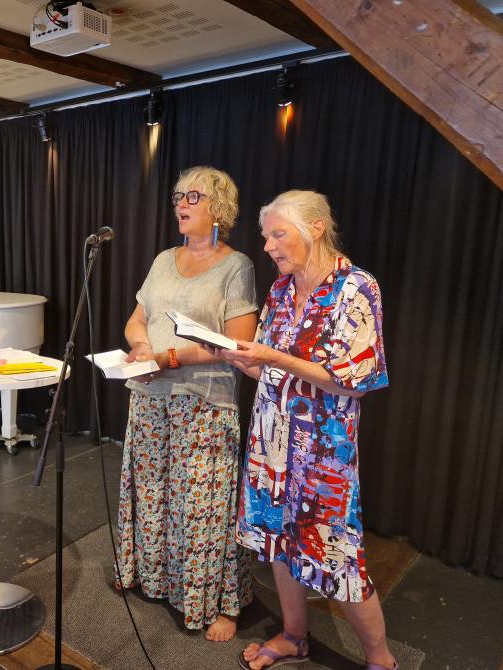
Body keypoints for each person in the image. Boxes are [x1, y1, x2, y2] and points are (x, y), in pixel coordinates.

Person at [212, 190, 396, 670]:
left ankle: (381, 659)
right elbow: (268, 370)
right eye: (266, 236)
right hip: (270, 443)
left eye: (278, 234)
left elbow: (355, 381)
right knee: (277, 541)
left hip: (322, 452)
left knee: (338, 556)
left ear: (315, 228)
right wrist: (240, 358)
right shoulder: (280, 290)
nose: (268, 246)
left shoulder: (356, 288)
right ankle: (294, 636)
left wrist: (273, 357)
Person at [115, 166, 259, 642]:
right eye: (179, 195)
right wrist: (141, 347)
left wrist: (169, 357)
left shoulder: (237, 266)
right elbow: (137, 319)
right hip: (149, 396)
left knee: (201, 506)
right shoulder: (163, 259)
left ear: (219, 208)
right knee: (152, 492)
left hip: (203, 403)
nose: (181, 203)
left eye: (193, 197)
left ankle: (215, 601)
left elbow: (238, 343)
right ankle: (156, 580)